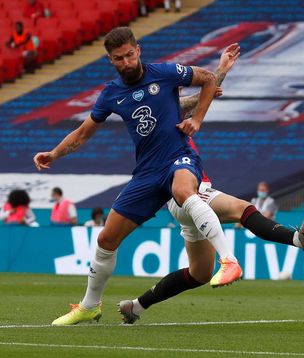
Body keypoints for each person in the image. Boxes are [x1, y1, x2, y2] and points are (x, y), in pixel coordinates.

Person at [33, 27, 241, 326]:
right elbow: (82, 132)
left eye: (130, 55)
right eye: (119, 58)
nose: (127, 62)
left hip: (179, 158)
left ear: (138, 51)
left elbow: (207, 81)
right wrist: (54, 154)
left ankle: (228, 260)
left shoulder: (166, 73)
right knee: (106, 238)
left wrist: (197, 119)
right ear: (111, 60)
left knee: (184, 191)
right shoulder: (112, 94)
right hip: (147, 172)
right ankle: (90, 306)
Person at [117, 44, 304, 324]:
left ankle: (136, 307)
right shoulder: (164, 116)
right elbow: (195, 100)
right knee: (241, 208)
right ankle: (298, 239)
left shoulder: (169, 112)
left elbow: (202, 97)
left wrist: (221, 71)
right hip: (186, 190)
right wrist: (217, 75)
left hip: (180, 199)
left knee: (199, 273)